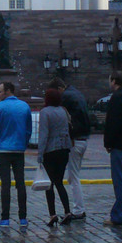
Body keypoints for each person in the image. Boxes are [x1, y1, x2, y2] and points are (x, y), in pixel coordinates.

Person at [0, 81, 32, 227]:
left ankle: (5, 218)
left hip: (3, 150)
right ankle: (23, 218)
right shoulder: (24, 106)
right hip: (19, 150)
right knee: (20, 183)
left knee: (5, 184)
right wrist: (23, 144)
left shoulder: (0, 107)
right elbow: (28, 130)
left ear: (7, 91)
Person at [48, 76, 90, 219]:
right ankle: (79, 208)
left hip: (75, 140)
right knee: (74, 175)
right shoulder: (76, 92)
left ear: (59, 89)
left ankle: (79, 210)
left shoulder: (65, 97)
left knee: (73, 177)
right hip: (84, 138)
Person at [38, 88, 73, 227]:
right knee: (59, 182)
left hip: (50, 150)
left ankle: (52, 214)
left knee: (49, 184)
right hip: (64, 148)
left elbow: (44, 134)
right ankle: (67, 211)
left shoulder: (45, 112)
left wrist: (40, 154)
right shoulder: (63, 111)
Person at [103, 70, 122, 227]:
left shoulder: (117, 98)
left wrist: (108, 143)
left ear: (114, 81)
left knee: (119, 182)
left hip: (119, 146)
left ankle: (119, 215)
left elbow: (113, 123)